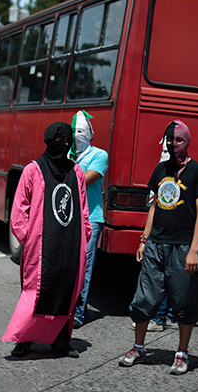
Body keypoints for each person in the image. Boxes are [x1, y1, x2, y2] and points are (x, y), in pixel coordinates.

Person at [119, 119, 198, 375]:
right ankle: (138, 347)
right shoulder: (161, 170)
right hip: (155, 245)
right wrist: (143, 239)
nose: (173, 145)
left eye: (178, 140)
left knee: (184, 301)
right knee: (145, 297)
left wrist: (194, 250)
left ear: (188, 141)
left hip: (183, 247)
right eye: (170, 140)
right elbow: (154, 207)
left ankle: (182, 353)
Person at [2, 122, 92, 358]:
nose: (63, 146)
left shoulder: (77, 172)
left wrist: (84, 237)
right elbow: (19, 207)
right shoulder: (33, 170)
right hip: (40, 245)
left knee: (66, 291)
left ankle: (60, 341)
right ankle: (24, 339)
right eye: (59, 142)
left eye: (67, 141)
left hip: (70, 244)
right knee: (35, 292)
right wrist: (27, 238)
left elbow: (83, 209)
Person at [69, 111, 109, 329]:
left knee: (84, 265)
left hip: (90, 218)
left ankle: (78, 312)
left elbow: (82, 180)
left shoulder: (99, 155)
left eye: (81, 131)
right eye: (74, 131)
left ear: (91, 134)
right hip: (67, 218)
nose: (77, 135)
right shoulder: (67, 154)